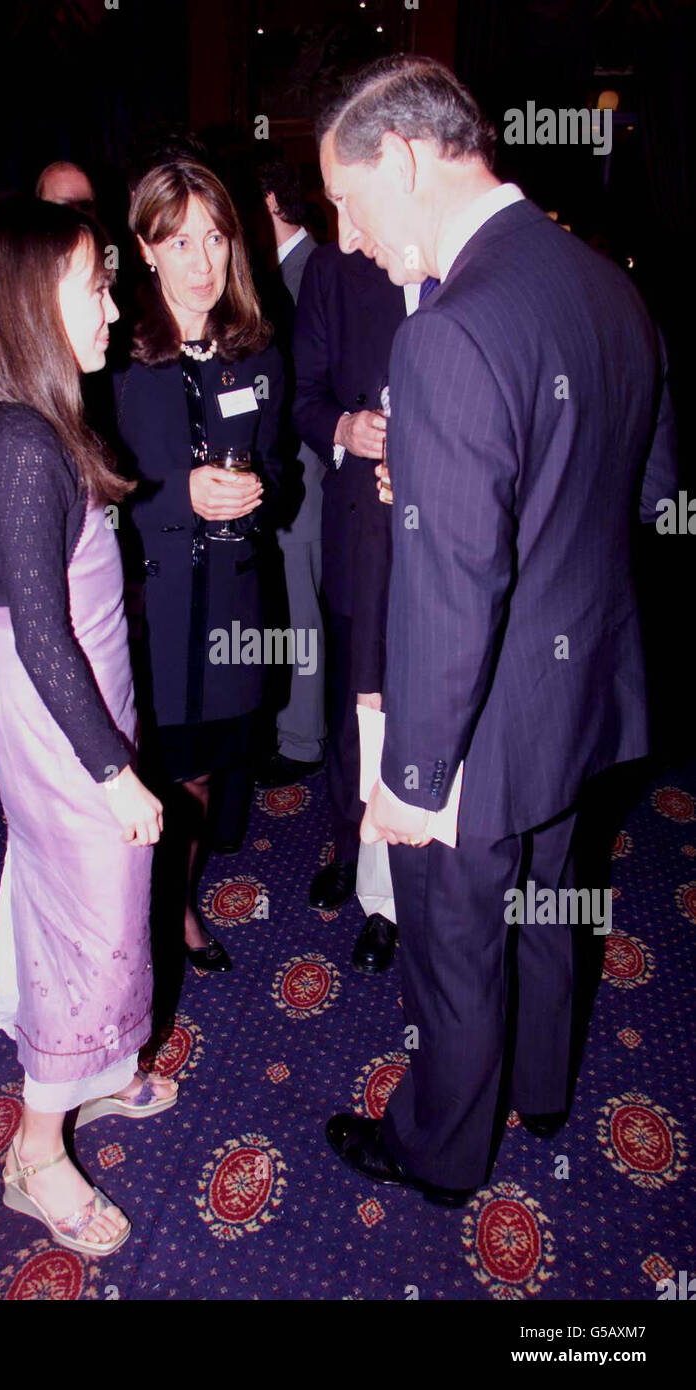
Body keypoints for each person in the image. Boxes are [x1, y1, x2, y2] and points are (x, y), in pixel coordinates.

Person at [320, 56, 677, 1205]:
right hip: (579, 690)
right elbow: (640, 489)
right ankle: (542, 1090)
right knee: (545, 901)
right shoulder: (607, 282)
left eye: (347, 202)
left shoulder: (447, 334)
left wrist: (412, 779)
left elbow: (457, 590)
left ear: (408, 161)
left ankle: (437, 1151)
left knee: (457, 943)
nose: (348, 238)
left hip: (471, 722)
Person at [0, 194, 176, 1256]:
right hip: (66, 728)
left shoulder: (35, 418)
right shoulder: (20, 444)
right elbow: (36, 640)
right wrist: (112, 772)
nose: (114, 305)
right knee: (90, 932)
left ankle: (96, 1076)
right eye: (94, 284)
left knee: (92, 911)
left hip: (80, 711)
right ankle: (35, 1151)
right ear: (30, 304)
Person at [114, 159, 285, 979]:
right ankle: (131, 924)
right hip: (145, 608)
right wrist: (181, 493)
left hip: (231, 604)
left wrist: (259, 488)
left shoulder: (256, 351)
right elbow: (92, 500)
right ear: (145, 248)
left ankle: (176, 908)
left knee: (205, 775)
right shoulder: (111, 354)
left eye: (215, 238)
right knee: (143, 777)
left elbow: (282, 471)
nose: (201, 260)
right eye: (179, 240)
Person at [292, 239, 405, 972]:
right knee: (351, 712)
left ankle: (396, 897)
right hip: (361, 530)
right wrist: (343, 428)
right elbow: (302, 396)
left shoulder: (463, 256)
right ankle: (350, 847)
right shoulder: (334, 269)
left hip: (456, 539)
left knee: (425, 713)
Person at [254, 157, 327, 790]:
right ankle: (292, 726)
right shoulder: (281, 271)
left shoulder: (311, 271)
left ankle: (302, 739)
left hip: (306, 467)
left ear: (273, 200)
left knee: (301, 606)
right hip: (288, 466)